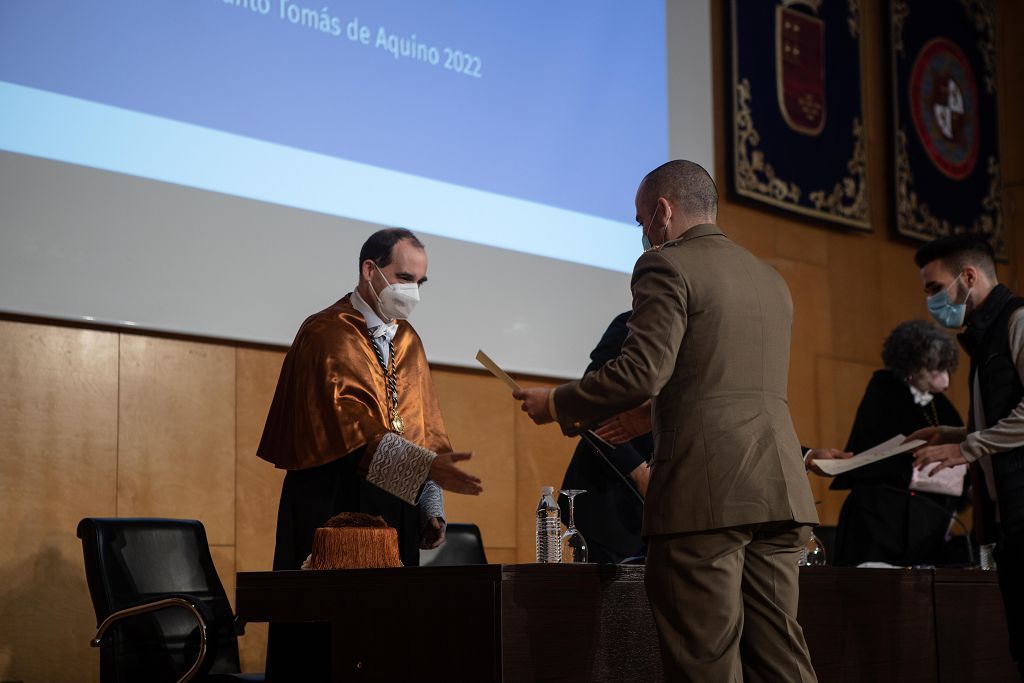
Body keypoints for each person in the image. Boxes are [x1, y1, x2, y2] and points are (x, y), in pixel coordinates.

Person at [515, 160, 818, 681]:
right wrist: (651, 415)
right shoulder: (770, 280)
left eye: (640, 222)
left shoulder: (666, 265)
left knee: (705, 664)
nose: (642, 236)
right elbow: (719, 381)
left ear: (662, 212)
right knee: (781, 661)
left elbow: (641, 372)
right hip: (779, 489)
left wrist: (558, 403)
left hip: (705, 497)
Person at [258, 228, 482, 679]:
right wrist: (423, 468)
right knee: (325, 647)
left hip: (393, 507)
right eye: (404, 277)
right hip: (332, 504)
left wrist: (430, 505)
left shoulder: (408, 341)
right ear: (370, 271)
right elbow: (350, 428)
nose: (412, 292)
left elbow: (424, 432)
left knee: (390, 642)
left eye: (421, 282)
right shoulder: (325, 332)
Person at [910, 233, 1024, 677]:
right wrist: (952, 432)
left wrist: (966, 446)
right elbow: (1002, 424)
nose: (930, 301)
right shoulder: (984, 337)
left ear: (969, 277)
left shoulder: (1016, 320)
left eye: (935, 288)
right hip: (1010, 520)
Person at [830, 320, 965, 566]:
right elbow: (871, 451)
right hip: (880, 517)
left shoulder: (939, 403)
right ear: (913, 365)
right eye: (935, 369)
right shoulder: (884, 390)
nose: (944, 381)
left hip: (925, 520)